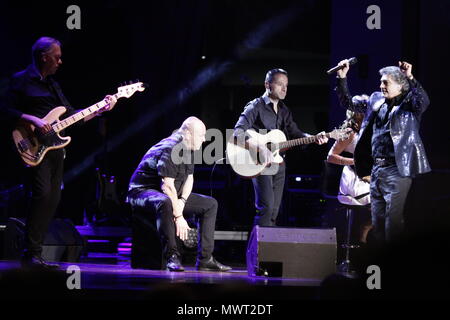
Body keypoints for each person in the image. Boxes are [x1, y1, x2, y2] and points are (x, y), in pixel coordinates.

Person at [2, 37, 116, 268]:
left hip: (54, 149)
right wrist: (31, 118)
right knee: (42, 194)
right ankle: (30, 251)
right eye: (57, 56)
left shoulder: (54, 85)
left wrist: (100, 109)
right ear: (44, 56)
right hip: (32, 145)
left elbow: (71, 116)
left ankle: (34, 252)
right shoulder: (20, 80)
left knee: (53, 198)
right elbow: (4, 109)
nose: (60, 61)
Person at [335, 59, 430, 244]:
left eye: (386, 82)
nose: (381, 85)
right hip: (376, 169)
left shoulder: (409, 104)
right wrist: (342, 78)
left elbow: (423, 101)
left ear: (400, 85)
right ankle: (382, 260)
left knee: (392, 221)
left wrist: (410, 77)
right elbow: (349, 104)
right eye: (381, 81)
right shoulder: (376, 101)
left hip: (397, 169)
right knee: (377, 223)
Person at [127, 117, 231, 272]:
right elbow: (167, 186)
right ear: (188, 133)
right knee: (166, 202)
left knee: (210, 204)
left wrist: (182, 201)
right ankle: (172, 256)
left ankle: (205, 259)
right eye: (201, 135)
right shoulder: (171, 147)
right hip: (141, 192)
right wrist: (179, 217)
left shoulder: (188, 149)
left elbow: (189, 178)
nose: (204, 140)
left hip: (167, 193)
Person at [233, 68, 328, 227]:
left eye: (286, 85)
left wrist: (313, 138)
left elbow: (296, 133)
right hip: (259, 162)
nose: (284, 88)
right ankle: (258, 250)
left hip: (278, 163)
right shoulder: (255, 106)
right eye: (279, 84)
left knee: (275, 210)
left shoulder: (284, 110)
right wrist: (260, 147)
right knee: (266, 207)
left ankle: (269, 246)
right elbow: (237, 133)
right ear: (267, 85)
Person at [327, 110, 372, 243]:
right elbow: (331, 157)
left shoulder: (374, 129)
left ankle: (367, 230)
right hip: (354, 179)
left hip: (370, 177)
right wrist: (355, 162)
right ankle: (364, 231)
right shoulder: (349, 133)